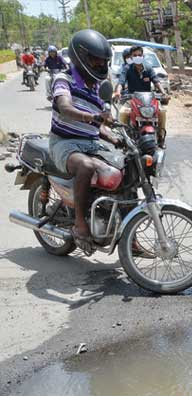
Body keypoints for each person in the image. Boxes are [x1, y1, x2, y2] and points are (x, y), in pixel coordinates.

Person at [49, 29, 119, 251]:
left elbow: (98, 126)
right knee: (86, 166)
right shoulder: (64, 79)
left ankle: (128, 235)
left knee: (123, 166)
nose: (99, 65)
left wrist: (116, 137)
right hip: (64, 143)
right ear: (80, 56)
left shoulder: (97, 88)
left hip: (90, 143)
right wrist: (92, 117)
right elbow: (64, 107)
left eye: (103, 61)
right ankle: (80, 224)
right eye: (95, 59)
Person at [113, 45, 168, 147]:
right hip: (132, 99)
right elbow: (121, 82)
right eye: (135, 55)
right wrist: (118, 92)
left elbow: (156, 81)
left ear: (143, 56)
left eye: (139, 55)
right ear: (131, 57)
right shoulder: (127, 68)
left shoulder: (148, 68)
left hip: (149, 100)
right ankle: (124, 138)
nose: (137, 57)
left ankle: (161, 137)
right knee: (122, 113)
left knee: (162, 112)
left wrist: (163, 93)